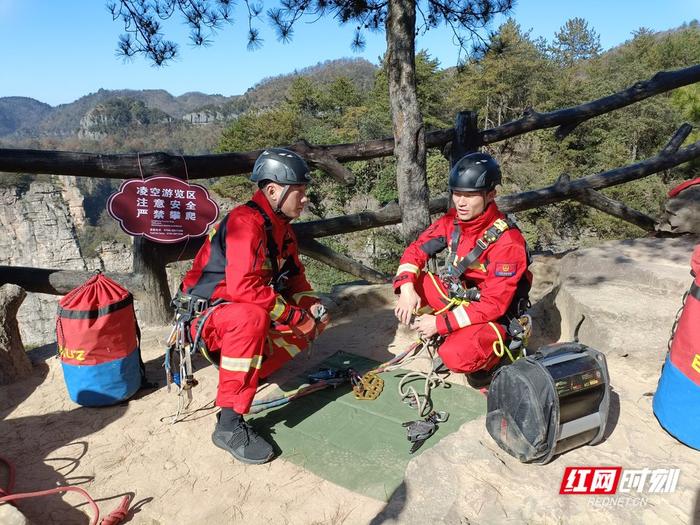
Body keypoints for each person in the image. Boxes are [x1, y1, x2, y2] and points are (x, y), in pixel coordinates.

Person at [177, 148, 329, 464]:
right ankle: (229, 424)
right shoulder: (245, 224)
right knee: (250, 318)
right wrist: (292, 316)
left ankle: (249, 372)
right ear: (273, 190)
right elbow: (244, 287)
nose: (304, 200)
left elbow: (296, 280)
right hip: (208, 318)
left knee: (314, 317)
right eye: (299, 193)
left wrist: (311, 308)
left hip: (237, 313)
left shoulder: (281, 228)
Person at [393, 152, 531, 380]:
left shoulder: (507, 243)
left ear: (491, 195)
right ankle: (453, 333)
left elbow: (494, 305)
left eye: (469, 195)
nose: (460, 202)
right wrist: (407, 290)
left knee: (454, 355)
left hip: (495, 316)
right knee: (410, 280)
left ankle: (490, 362)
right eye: (456, 194)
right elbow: (415, 251)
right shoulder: (453, 222)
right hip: (463, 299)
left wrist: (439, 323)